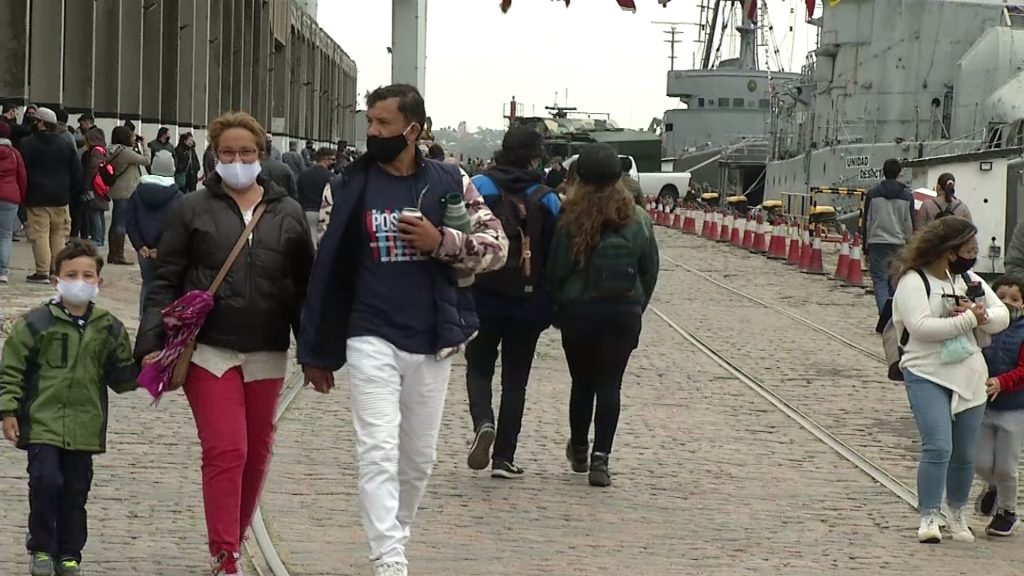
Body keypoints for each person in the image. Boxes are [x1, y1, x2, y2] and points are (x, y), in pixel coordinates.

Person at [298, 84, 508, 576]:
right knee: (377, 447)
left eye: (383, 123)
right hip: (369, 333)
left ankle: (398, 535)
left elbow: (496, 245)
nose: (373, 132)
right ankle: (389, 559)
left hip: (433, 336)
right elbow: (327, 271)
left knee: (418, 459)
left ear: (412, 131)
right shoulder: (346, 187)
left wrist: (442, 241)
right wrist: (316, 349)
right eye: (369, 122)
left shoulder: (450, 180)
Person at [134, 111, 314, 576]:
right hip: (209, 351)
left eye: (246, 152)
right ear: (214, 156)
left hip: (267, 349)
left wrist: (315, 351)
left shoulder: (289, 213)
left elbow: (304, 288)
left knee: (256, 453)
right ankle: (225, 554)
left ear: (261, 155)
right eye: (228, 153)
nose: (238, 161)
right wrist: (151, 339)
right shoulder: (191, 208)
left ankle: (233, 535)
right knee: (227, 449)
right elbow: (164, 280)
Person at [0, 239, 139, 576]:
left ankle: (69, 552)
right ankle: (41, 546)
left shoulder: (108, 327)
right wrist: (8, 410)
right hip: (42, 422)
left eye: (87, 276)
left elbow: (121, 378)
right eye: (71, 275)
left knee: (75, 492)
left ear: (98, 281)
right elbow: (12, 369)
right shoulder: (36, 324)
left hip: (84, 426)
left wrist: (150, 368)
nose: (80, 281)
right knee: (45, 482)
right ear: (56, 281)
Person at [891, 216, 1009, 543]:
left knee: (964, 453)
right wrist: (968, 320)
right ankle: (929, 514)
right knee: (938, 445)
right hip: (925, 370)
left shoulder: (969, 280)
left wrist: (981, 316)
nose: (973, 255)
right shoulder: (914, 281)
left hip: (969, 372)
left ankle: (956, 513)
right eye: (968, 249)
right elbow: (920, 327)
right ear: (949, 250)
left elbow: (1001, 315)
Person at [547, 143, 659, 488]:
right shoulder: (638, 218)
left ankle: (580, 449)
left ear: (579, 178)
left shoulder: (570, 216)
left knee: (582, 383)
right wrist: (636, 306)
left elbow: (557, 267)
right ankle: (602, 458)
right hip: (622, 311)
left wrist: (557, 307)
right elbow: (650, 269)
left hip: (579, 311)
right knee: (611, 384)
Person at [464, 127, 561, 478]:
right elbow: (555, 254)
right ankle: (504, 457)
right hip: (528, 300)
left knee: (478, 367)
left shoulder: (480, 186)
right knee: (516, 380)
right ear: (535, 158)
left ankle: (483, 422)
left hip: (482, 294)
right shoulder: (548, 198)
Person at [974, 275, 1024, 536]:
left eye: (1015, 299)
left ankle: (1007, 512)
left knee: (1006, 466)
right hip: (983, 406)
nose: (1007, 302)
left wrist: (1002, 382)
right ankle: (993, 487)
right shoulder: (983, 326)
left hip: (1015, 409)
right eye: (1001, 297)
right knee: (980, 461)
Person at [20, 107, 81, 283]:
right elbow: (76, 170)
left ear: (41, 123)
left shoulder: (27, 143)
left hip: (37, 196)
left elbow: (23, 170)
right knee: (59, 235)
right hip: (61, 197)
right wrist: (74, 191)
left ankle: (42, 271)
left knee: (39, 235)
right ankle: (57, 269)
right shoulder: (65, 143)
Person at [126, 150, 181, 318]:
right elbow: (177, 227)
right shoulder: (178, 197)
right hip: (165, 251)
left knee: (147, 283)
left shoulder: (137, 193)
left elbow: (130, 221)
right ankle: (161, 319)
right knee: (167, 286)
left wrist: (140, 245)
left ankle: (144, 318)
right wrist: (161, 248)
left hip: (143, 250)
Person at [862, 158, 915, 314]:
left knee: (879, 281)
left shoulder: (873, 194)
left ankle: (884, 315)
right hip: (899, 244)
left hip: (877, 242)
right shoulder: (907, 196)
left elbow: (867, 221)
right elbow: (909, 224)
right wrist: (911, 247)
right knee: (895, 282)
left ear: (883, 172)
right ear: (899, 173)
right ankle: (891, 315)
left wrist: (865, 247)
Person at [106, 125, 151, 265]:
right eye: (131, 136)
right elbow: (146, 160)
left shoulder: (112, 149)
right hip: (126, 191)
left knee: (115, 222)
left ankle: (112, 254)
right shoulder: (125, 152)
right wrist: (144, 145)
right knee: (121, 224)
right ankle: (118, 255)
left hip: (116, 189)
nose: (133, 138)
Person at [0, 121, 27, 284]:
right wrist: (21, 198)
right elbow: (22, 177)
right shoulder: (14, 153)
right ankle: (2, 272)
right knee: (5, 235)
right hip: (10, 197)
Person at [296, 146, 335, 246]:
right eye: (332, 159)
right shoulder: (331, 177)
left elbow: (298, 192)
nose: (334, 162)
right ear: (325, 159)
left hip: (306, 211)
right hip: (324, 212)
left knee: (311, 240)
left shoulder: (304, 174)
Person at [81, 127, 109, 247]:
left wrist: (86, 185)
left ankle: (97, 238)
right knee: (100, 213)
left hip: (95, 186)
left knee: (95, 212)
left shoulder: (95, 152)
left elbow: (92, 169)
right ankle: (101, 238)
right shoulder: (103, 150)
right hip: (102, 186)